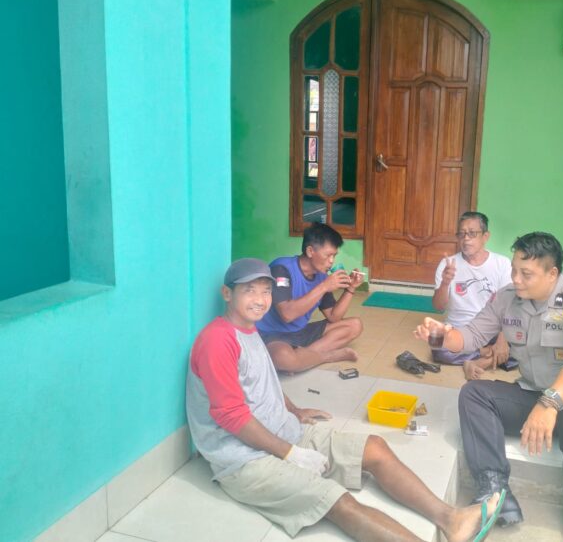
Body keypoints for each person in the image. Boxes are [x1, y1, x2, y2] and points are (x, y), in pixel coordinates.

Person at [186, 257, 504, 542]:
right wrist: (290, 454)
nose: (260, 300)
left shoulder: (249, 330)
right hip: (245, 459)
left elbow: (260, 383)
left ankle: (452, 520)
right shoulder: (217, 340)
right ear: (227, 294)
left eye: (265, 291)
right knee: (337, 500)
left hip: (283, 432)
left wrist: (293, 410)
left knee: (374, 447)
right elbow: (231, 416)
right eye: (249, 291)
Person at [415, 232, 563, 542]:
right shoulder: (506, 298)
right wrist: (446, 335)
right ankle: (494, 490)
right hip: (537, 395)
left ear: (552, 273)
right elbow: (471, 336)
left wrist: (549, 403)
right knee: (474, 394)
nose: (516, 279)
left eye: (526, 273)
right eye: (514, 270)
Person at [257, 222, 363, 373]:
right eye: (328, 255)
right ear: (310, 251)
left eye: (334, 256)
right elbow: (287, 314)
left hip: (300, 331)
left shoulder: (321, 277)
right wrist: (325, 286)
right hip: (273, 334)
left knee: (355, 325)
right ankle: (325, 356)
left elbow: (333, 317)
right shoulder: (281, 269)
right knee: (283, 357)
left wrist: (350, 288)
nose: (331, 261)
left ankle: (302, 358)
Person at [432, 212, 513, 380]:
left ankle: (475, 362)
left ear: (485, 236)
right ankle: (486, 354)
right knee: (437, 345)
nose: (466, 239)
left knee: (525, 345)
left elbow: (509, 306)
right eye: (461, 234)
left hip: (491, 330)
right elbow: (438, 306)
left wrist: (502, 339)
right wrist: (445, 283)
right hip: (459, 329)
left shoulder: (502, 264)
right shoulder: (447, 264)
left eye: (472, 233)